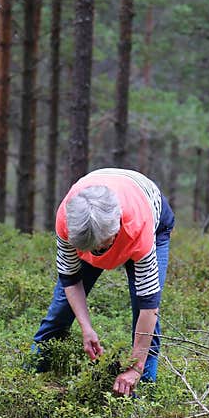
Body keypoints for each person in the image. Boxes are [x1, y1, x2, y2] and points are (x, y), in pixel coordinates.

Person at [32, 167, 174, 396]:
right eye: (92, 249)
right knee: (60, 311)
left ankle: (145, 391)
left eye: (103, 246)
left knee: (143, 312)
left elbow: (149, 306)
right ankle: (29, 378)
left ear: (115, 229)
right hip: (96, 218)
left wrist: (135, 367)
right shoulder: (68, 222)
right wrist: (86, 329)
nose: (98, 253)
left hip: (149, 216)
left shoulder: (137, 228)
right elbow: (70, 280)